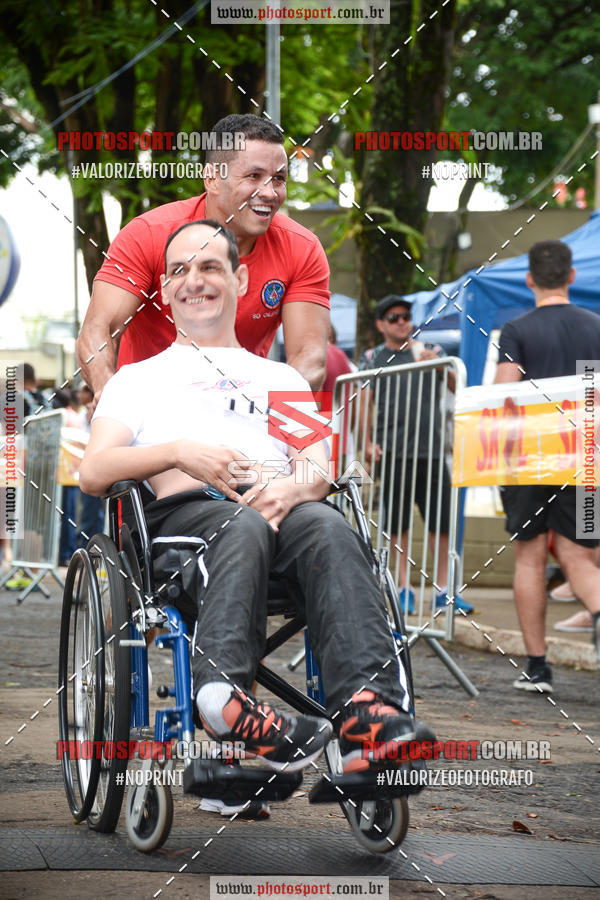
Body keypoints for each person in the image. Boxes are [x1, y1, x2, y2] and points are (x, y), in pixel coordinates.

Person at [79, 220, 426, 802]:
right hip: (186, 520)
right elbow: (94, 471)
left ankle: (370, 718)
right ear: (164, 290)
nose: (194, 280)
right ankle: (224, 705)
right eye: (180, 270)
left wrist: (288, 493)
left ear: (239, 280)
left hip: (280, 513)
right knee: (239, 525)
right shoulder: (137, 380)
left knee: (329, 525)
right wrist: (178, 452)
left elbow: (317, 466)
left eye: (210, 267)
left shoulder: (279, 377)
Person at [76, 114, 331, 401]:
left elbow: (310, 359)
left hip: (245, 407)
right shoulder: (147, 234)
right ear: (212, 179)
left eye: (279, 179)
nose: (270, 193)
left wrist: (269, 422)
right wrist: (108, 396)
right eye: (253, 176)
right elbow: (97, 331)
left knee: (311, 427)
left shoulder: (303, 247)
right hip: (148, 408)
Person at [494, 239, 600, 691]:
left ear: (529, 280)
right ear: (571, 276)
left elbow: (504, 395)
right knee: (578, 555)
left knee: (530, 559)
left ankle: (537, 669)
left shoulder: (516, 329)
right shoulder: (596, 326)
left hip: (530, 456)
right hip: (586, 454)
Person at [358, 295, 472, 615]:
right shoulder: (372, 357)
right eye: (393, 317)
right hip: (393, 451)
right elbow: (364, 401)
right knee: (397, 524)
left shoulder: (431, 351)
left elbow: (457, 389)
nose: (402, 322)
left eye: (406, 316)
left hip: (432, 451)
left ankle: (443, 591)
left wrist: (437, 367)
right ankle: (403, 588)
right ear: (381, 325)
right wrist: (367, 442)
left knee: (441, 522)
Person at [76, 384, 105, 547]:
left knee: (93, 512)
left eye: (82, 391)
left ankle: (92, 548)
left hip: (97, 467)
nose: (79, 395)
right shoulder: (84, 413)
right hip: (88, 468)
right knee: (89, 512)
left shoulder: (99, 409)